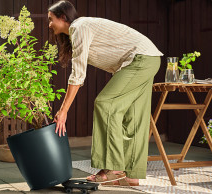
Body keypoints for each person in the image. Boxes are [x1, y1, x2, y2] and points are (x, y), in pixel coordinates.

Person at [49, 0, 163, 186]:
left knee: (105, 103)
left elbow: (78, 74)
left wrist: (64, 111)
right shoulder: (79, 30)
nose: (49, 24)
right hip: (148, 58)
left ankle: (113, 168)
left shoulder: (79, 27)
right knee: (134, 116)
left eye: (51, 19)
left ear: (63, 17)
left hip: (141, 59)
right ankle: (131, 175)